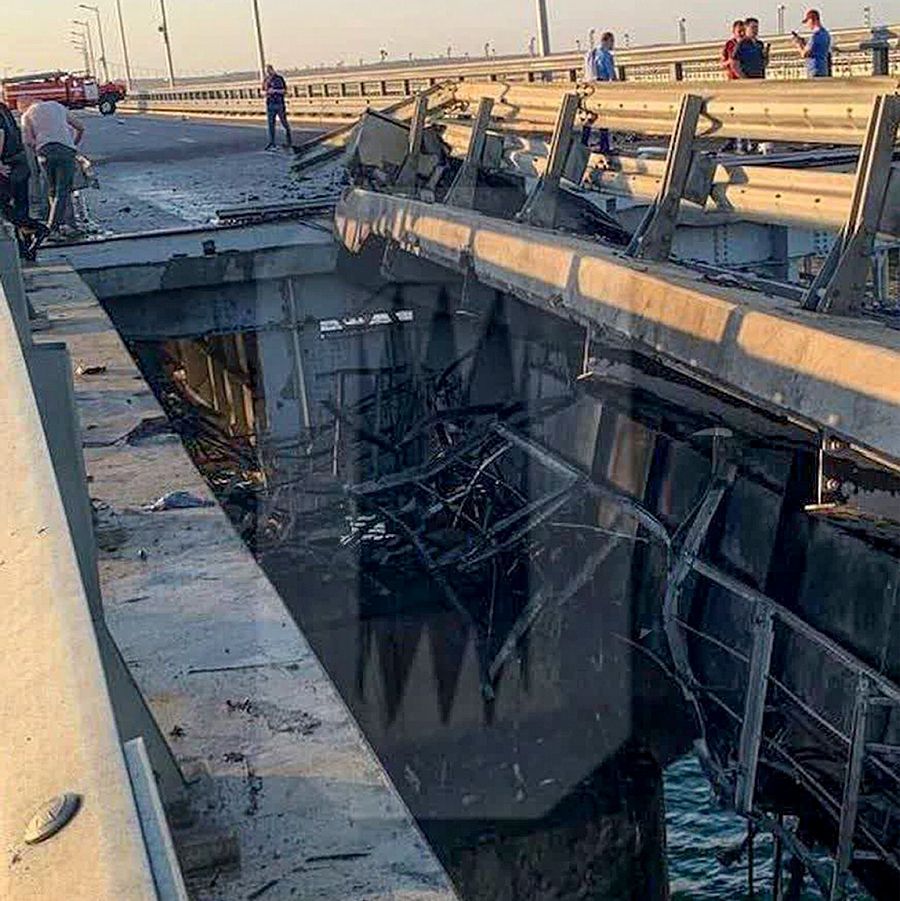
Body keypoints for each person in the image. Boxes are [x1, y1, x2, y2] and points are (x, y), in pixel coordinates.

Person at [20, 99, 84, 235]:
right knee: (63, 190)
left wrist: (39, 149)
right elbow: (80, 127)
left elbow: (28, 140)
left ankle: (64, 224)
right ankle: (55, 227)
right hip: (66, 150)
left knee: (52, 190)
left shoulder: (27, 115)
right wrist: (73, 144)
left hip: (44, 153)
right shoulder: (57, 106)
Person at [0, 100, 47, 259]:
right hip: (20, 161)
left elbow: (0, 134)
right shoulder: (3, 108)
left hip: (8, 164)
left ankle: (36, 229)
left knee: (3, 207)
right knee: (20, 206)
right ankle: (26, 250)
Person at [582, 32, 617, 154]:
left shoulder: (591, 53)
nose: (613, 44)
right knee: (604, 117)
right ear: (607, 41)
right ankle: (605, 146)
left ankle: (583, 143)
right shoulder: (606, 55)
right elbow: (611, 74)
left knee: (590, 116)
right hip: (602, 86)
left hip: (590, 88)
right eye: (612, 42)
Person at [793, 8, 831, 78]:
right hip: (824, 69)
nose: (807, 25)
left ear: (811, 20)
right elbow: (817, 50)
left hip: (814, 70)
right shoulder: (826, 34)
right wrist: (804, 44)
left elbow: (804, 54)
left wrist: (798, 44)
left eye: (807, 22)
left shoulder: (815, 36)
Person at [263, 64, 292, 151]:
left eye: (269, 70)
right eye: (266, 71)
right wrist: (266, 92)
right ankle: (272, 143)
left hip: (279, 103)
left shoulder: (279, 79)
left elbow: (284, 91)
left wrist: (275, 91)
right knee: (271, 124)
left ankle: (289, 142)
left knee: (284, 123)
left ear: (272, 70)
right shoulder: (266, 80)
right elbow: (262, 90)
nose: (268, 72)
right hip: (270, 104)